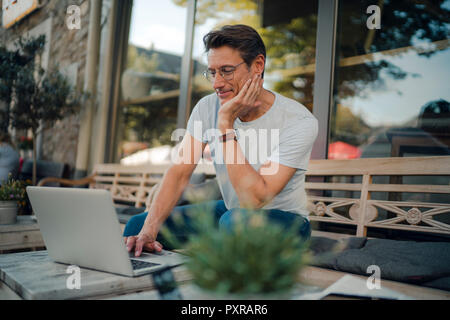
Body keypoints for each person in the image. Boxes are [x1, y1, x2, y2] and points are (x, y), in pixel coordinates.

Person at [124, 25, 318, 256]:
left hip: (287, 222)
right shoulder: (206, 107)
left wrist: (225, 123)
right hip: (231, 214)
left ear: (258, 65)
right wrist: (149, 231)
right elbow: (179, 173)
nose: (217, 83)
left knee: (235, 221)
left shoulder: (298, 120)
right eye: (213, 72)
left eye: (226, 71)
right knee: (138, 227)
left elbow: (253, 200)